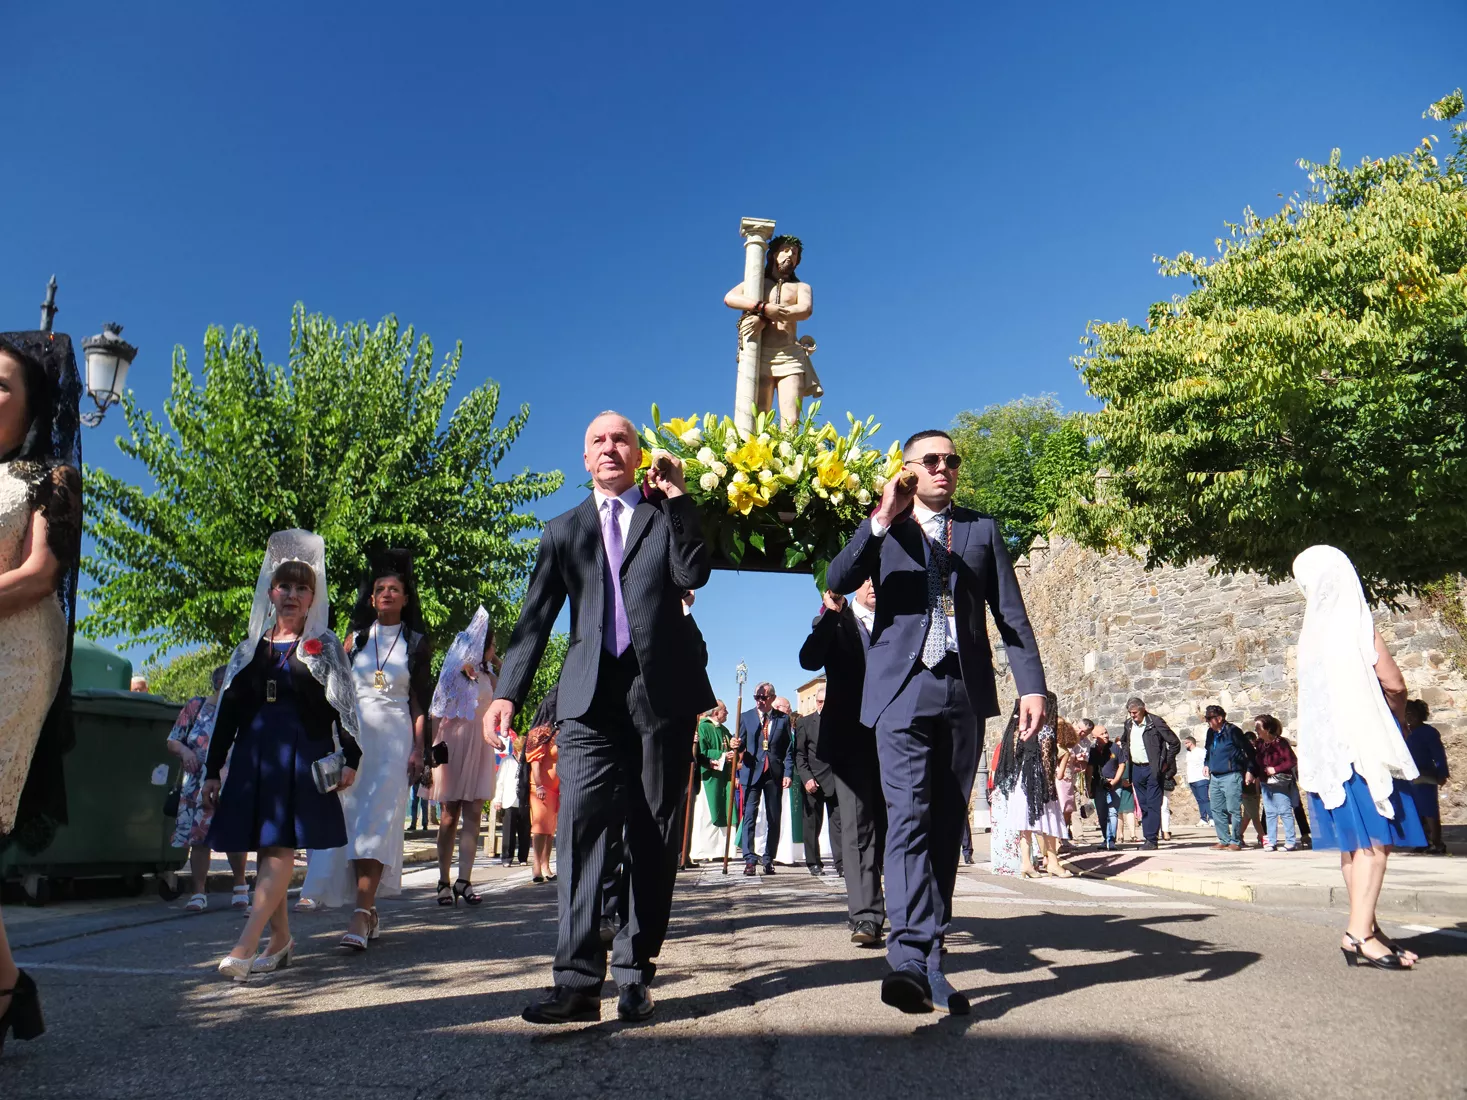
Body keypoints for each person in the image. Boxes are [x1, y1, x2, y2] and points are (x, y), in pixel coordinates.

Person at [488, 412, 713, 1025]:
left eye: (622, 439)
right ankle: (578, 981)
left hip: (658, 696)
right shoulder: (563, 531)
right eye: (598, 441)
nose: (610, 448)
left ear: (640, 455)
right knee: (582, 830)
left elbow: (694, 572)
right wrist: (509, 692)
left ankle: (636, 970)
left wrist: (681, 498)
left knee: (652, 834)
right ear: (584, 458)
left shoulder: (663, 515)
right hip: (587, 700)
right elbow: (534, 619)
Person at [828, 428, 1048, 1016]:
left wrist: (1032, 685)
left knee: (948, 820)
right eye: (931, 460)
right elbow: (837, 578)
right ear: (907, 470)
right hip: (901, 690)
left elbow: (1011, 613)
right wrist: (879, 518)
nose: (944, 468)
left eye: (951, 460)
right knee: (908, 817)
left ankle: (931, 952)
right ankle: (905, 956)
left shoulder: (981, 530)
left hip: (963, 689)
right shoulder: (885, 527)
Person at [203, 530, 363, 980]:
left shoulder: (325, 646)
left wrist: (351, 757)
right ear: (270, 592)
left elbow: (344, 706)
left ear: (313, 596)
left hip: (302, 756)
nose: (291, 595)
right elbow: (228, 714)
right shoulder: (249, 649)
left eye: (301, 588)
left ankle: (246, 941)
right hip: (257, 758)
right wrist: (213, 770)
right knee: (265, 847)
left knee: (278, 847)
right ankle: (281, 939)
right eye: (284, 586)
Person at [0, 332, 83, 1053]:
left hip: (15, 659)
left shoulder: (46, 477)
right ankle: (7, 988)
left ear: (31, 405)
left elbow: (39, 575)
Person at [1292, 545, 1427, 971]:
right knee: (1376, 845)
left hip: (1327, 756)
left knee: (1353, 849)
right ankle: (1358, 934)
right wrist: (1399, 721)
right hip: (1362, 747)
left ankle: (1368, 925)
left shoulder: (1308, 639)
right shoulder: (1355, 624)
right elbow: (1395, 684)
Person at [301, 549, 432, 949]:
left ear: (406, 599)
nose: (388, 594)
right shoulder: (354, 639)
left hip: (395, 739)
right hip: (355, 739)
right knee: (352, 823)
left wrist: (419, 750)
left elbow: (419, 703)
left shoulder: (416, 643)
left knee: (377, 823)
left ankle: (360, 913)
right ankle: (368, 909)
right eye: (381, 589)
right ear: (372, 598)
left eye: (395, 589)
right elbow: (337, 692)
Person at [798, 581, 886, 945]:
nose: (874, 586)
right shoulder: (838, 620)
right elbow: (808, 658)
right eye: (866, 579)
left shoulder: (898, 620)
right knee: (856, 827)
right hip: (850, 739)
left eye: (878, 578)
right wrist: (830, 614)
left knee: (892, 826)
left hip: (893, 737)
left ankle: (903, 910)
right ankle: (865, 916)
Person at [427, 607, 503, 905]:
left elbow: (507, 688)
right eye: (492, 644)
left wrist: (494, 660)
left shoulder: (488, 675)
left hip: (479, 744)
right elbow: (436, 708)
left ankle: (464, 880)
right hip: (453, 743)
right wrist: (433, 745)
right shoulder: (454, 671)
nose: (493, 649)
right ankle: (443, 881)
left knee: (473, 814)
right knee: (449, 815)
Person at [165, 667, 248, 912]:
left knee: (233, 835)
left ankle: (240, 885)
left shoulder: (240, 710)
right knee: (198, 838)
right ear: (219, 683)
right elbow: (173, 740)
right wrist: (185, 751)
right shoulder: (196, 706)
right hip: (195, 783)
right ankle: (198, 892)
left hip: (230, 779)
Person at [723, 234, 823, 424]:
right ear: (773, 255)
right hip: (761, 355)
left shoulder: (801, 287)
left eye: (794, 253)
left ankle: (789, 453)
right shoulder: (758, 284)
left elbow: (804, 310)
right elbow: (730, 298)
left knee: (791, 419)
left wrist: (766, 316)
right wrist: (763, 307)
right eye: (785, 251)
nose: (790, 255)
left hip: (790, 355)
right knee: (759, 417)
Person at [992, 694, 1072, 878]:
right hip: (1038, 779)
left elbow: (1010, 757)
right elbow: (1046, 758)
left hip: (1020, 780)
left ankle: (1026, 863)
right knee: (1050, 819)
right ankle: (1052, 862)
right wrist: (1048, 783)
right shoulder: (1044, 729)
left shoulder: (1016, 729)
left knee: (1024, 822)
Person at [736, 681, 794, 876]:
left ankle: (768, 858)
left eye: (763, 697)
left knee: (773, 817)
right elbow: (741, 746)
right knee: (750, 816)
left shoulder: (782, 719)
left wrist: (788, 773)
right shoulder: (746, 717)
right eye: (757, 697)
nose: (759, 701)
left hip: (773, 773)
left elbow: (788, 749)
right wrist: (737, 746)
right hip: (752, 772)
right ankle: (749, 859)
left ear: (772, 698)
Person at [794, 686, 843, 878]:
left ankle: (841, 864)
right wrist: (806, 778)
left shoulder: (840, 723)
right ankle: (813, 862)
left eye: (826, 702)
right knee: (812, 824)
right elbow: (800, 754)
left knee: (838, 825)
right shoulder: (805, 723)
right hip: (813, 782)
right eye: (820, 702)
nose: (822, 705)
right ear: (816, 702)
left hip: (836, 782)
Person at [1119, 696, 1180, 850]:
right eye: (1130, 713)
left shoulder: (1155, 722)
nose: (1133, 715)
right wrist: (1127, 756)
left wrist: (1165, 762)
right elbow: (1125, 741)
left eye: (1135, 712)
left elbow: (1174, 743)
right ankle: (1149, 837)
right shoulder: (1128, 724)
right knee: (1144, 804)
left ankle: (1151, 839)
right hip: (1136, 769)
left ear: (1143, 709)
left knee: (1153, 804)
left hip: (1153, 769)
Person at [689, 702, 734, 861]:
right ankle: (704, 851)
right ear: (715, 712)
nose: (727, 712)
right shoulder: (702, 727)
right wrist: (723, 755)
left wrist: (735, 746)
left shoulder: (724, 730)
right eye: (724, 710)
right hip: (708, 777)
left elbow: (732, 746)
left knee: (724, 811)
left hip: (723, 777)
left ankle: (720, 851)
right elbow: (701, 752)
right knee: (707, 814)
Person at [1404, 699, 1450, 855]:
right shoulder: (1407, 732)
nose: (1409, 716)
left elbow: (1439, 755)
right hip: (1410, 776)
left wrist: (1442, 773)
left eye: (1412, 713)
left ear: (1420, 714)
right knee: (1416, 810)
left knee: (1429, 810)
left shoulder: (1428, 732)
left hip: (1425, 775)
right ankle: (1423, 842)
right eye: (1406, 713)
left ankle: (1438, 844)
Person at [524, 693, 561, 884]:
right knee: (539, 828)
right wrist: (538, 785)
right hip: (540, 787)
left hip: (556, 789)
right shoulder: (539, 733)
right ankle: (536, 866)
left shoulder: (558, 731)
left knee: (550, 830)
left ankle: (546, 866)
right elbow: (535, 763)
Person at [1203, 705, 1251, 851]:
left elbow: (1248, 751)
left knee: (1233, 809)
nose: (1208, 722)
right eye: (1207, 719)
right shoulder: (1210, 733)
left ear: (1220, 718)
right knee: (1216, 809)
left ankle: (1236, 840)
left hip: (1231, 775)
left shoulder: (1233, 731)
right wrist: (1206, 764)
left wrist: (1249, 770)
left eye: (1210, 718)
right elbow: (1209, 751)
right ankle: (1223, 839)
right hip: (1215, 776)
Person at [1253, 714, 1299, 851]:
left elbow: (1291, 760)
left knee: (1284, 811)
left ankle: (1290, 841)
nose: (1256, 730)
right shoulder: (1260, 744)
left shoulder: (1280, 743)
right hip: (1265, 782)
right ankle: (1271, 841)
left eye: (1258, 727)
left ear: (1267, 729)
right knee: (1270, 812)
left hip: (1280, 782)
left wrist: (1276, 769)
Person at [493, 729, 530, 865]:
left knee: (524, 831)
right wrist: (497, 799)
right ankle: (507, 858)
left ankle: (523, 857)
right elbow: (500, 781)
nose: (522, 754)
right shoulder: (507, 761)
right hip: (509, 800)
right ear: (516, 750)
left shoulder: (529, 763)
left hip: (524, 801)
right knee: (508, 831)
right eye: (521, 751)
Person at [1086, 724, 1117, 849]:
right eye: (1102, 734)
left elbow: (1122, 764)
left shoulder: (1114, 747)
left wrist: (1115, 780)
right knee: (1102, 813)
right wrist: (1088, 786)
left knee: (1113, 812)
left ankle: (1112, 840)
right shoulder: (1092, 750)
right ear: (1094, 737)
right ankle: (1106, 838)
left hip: (1114, 784)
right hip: (1098, 785)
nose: (1106, 735)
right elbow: (1090, 769)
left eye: (1106, 732)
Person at [1240, 730, 1266, 848]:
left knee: (1248, 815)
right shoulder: (1241, 757)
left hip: (1255, 789)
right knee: (1254, 815)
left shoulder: (1256, 755)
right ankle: (1263, 837)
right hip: (1245, 788)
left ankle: (1238, 835)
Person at [1055, 719, 1079, 843]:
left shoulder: (1066, 746)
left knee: (1067, 809)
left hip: (1069, 779)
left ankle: (1063, 837)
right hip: (1061, 780)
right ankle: (1061, 837)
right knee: (1063, 808)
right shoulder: (1058, 747)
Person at [1182, 734, 1211, 827]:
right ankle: (1203, 818)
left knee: (1205, 799)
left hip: (1201, 778)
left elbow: (1207, 762)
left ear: (1191, 743)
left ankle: (1212, 818)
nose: (1185, 745)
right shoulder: (1188, 753)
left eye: (1186, 743)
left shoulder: (1200, 751)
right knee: (1199, 800)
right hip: (1192, 780)